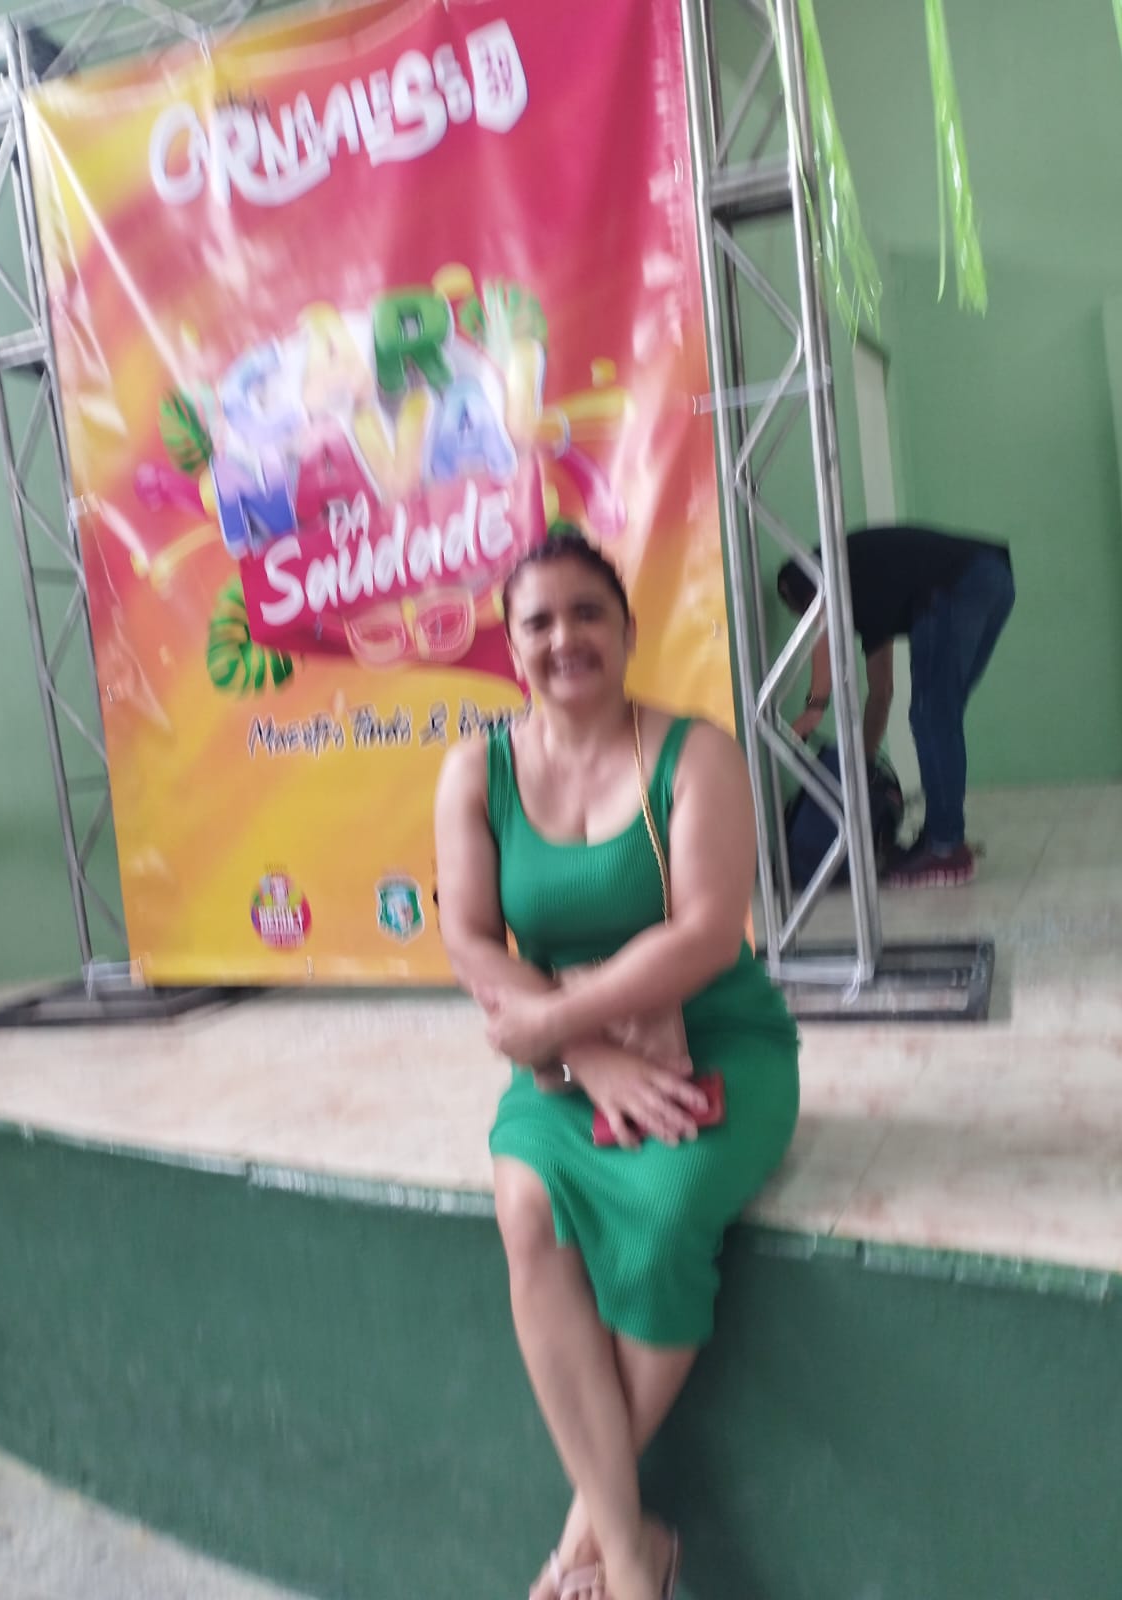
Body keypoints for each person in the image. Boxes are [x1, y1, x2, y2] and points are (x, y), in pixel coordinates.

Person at [434, 527, 800, 1600]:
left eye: (587, 612)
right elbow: (470, 939)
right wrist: (580, 1050)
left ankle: (583, 1544)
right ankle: (637, 1559)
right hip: (564, 1063)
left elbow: (705, 932)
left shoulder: (696, 755)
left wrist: (555, 1021)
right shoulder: (476, 771)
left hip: (715, 1039)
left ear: (629, 631)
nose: (565, 638)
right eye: (538, 621)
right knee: (526, 1212)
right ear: (511, 646)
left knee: (666, 1211)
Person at [776, 524, 1015, 888]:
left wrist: (814, 707)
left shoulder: (803, 574)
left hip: (955, 585)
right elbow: (881, 690)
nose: (804, 621)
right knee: (940, 717)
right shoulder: (871, 598)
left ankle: (946, 848)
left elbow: (820, 623)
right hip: (993, 580)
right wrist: (862, 764)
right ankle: (945, 837)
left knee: (932, 717)